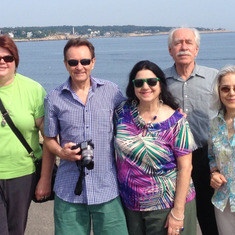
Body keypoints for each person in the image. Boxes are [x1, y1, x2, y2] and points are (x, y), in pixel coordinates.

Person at [43, 38, 128, 235]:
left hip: (107, 186)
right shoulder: (53, 98)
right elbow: (49, 138)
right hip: (68, 188)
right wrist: (61, 153)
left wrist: (168, 109)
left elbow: (136, 113)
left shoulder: (111, 91)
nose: (79, 67)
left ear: (93, 62)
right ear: (65, 64)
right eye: (73, 62)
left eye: (85, 61)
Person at [114, 60, 197, 235]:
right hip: (130, 204)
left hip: (166, 205)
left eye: (152, 81)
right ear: (133, 86)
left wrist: (178, 212)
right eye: (139, 82)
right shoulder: (122, 112)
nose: (146, 87)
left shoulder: (176, 122)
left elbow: (185, 167)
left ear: (160, 84)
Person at [164, 27, 219, 234]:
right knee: (175, 217)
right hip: (172, 159)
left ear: (196, 49)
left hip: (207, 157)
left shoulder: (214, 78)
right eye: (178, 43)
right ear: (170, 50)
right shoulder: (159, 81)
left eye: (188, 43)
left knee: (210, 217)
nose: (183, 47)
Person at [0, 35, 53, 235]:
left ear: (16, 61)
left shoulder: (33, 90)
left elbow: (48, 137)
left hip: (22, 175)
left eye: (8, 58)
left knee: (15, 230)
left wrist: (45, 178)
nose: (3, 62)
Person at [208, 65, 235, 235]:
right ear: (219, 91)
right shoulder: (214, 124)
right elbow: (212, 156)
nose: (231, 93)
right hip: (223, 200)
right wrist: (214, 172)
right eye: (226, 88)